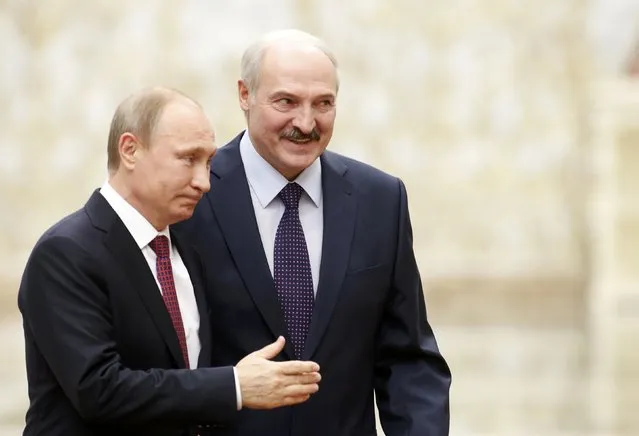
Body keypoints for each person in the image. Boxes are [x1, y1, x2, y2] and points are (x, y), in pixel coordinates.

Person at [174, 30, 451, 436]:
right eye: (286, 101)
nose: (305, 123)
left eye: (323, 104)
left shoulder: (380, 199)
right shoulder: (190, 198)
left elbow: (407, 359)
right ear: (244, 95)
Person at [17, 86, 321, 436]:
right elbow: (98, 389)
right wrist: (234, 387)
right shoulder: (66, 252)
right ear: (130, 150)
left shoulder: (185, 250)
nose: (204, 182)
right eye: (188, 159)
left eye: (208, 162)